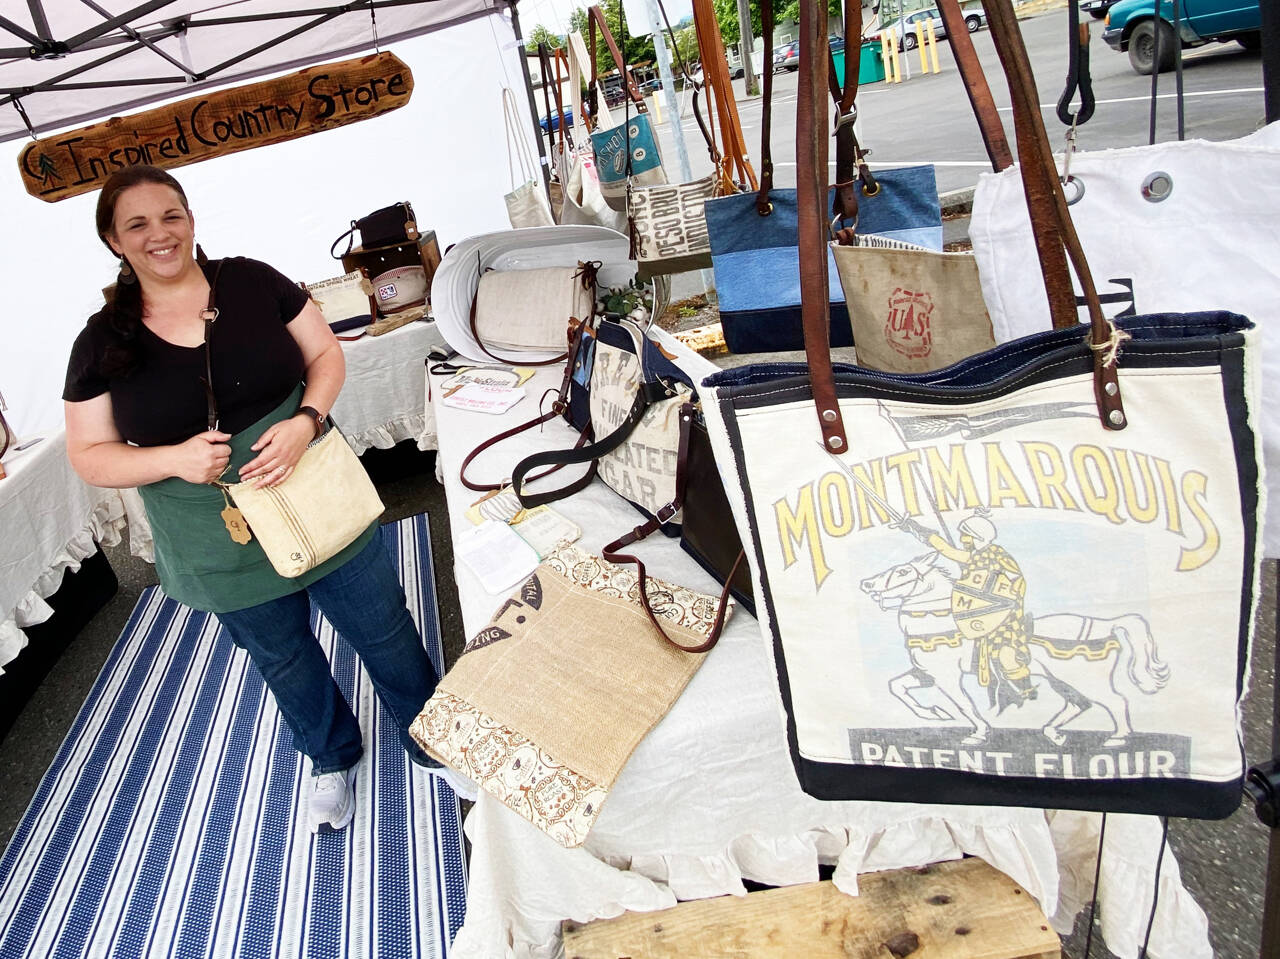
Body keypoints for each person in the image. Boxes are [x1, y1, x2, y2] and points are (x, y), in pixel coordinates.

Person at [63, 164, 444, 834]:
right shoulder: (101, 342)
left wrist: (306, 422)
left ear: (190, 219)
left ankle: (429, 731)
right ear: (113, 240)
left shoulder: (249, 280)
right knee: (282, 654)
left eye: (171, 215)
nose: (161, 234)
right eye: (138, 224)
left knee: (381, 623)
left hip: (309, 487)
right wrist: (173, 458)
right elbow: (89, 455)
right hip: (214, 529)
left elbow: (326, 356)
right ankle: (330, 755)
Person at [900, 510, 1036, 707]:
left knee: (1007, 655)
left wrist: (988, 592)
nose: (962, 539)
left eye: (966, 535)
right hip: (979, 618)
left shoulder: (996, 555)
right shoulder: (974, 557)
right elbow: (945, 549)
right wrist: (914, 527)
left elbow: (1014, 581)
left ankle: (1027, 692)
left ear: (977, 537)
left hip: (1002, 617)